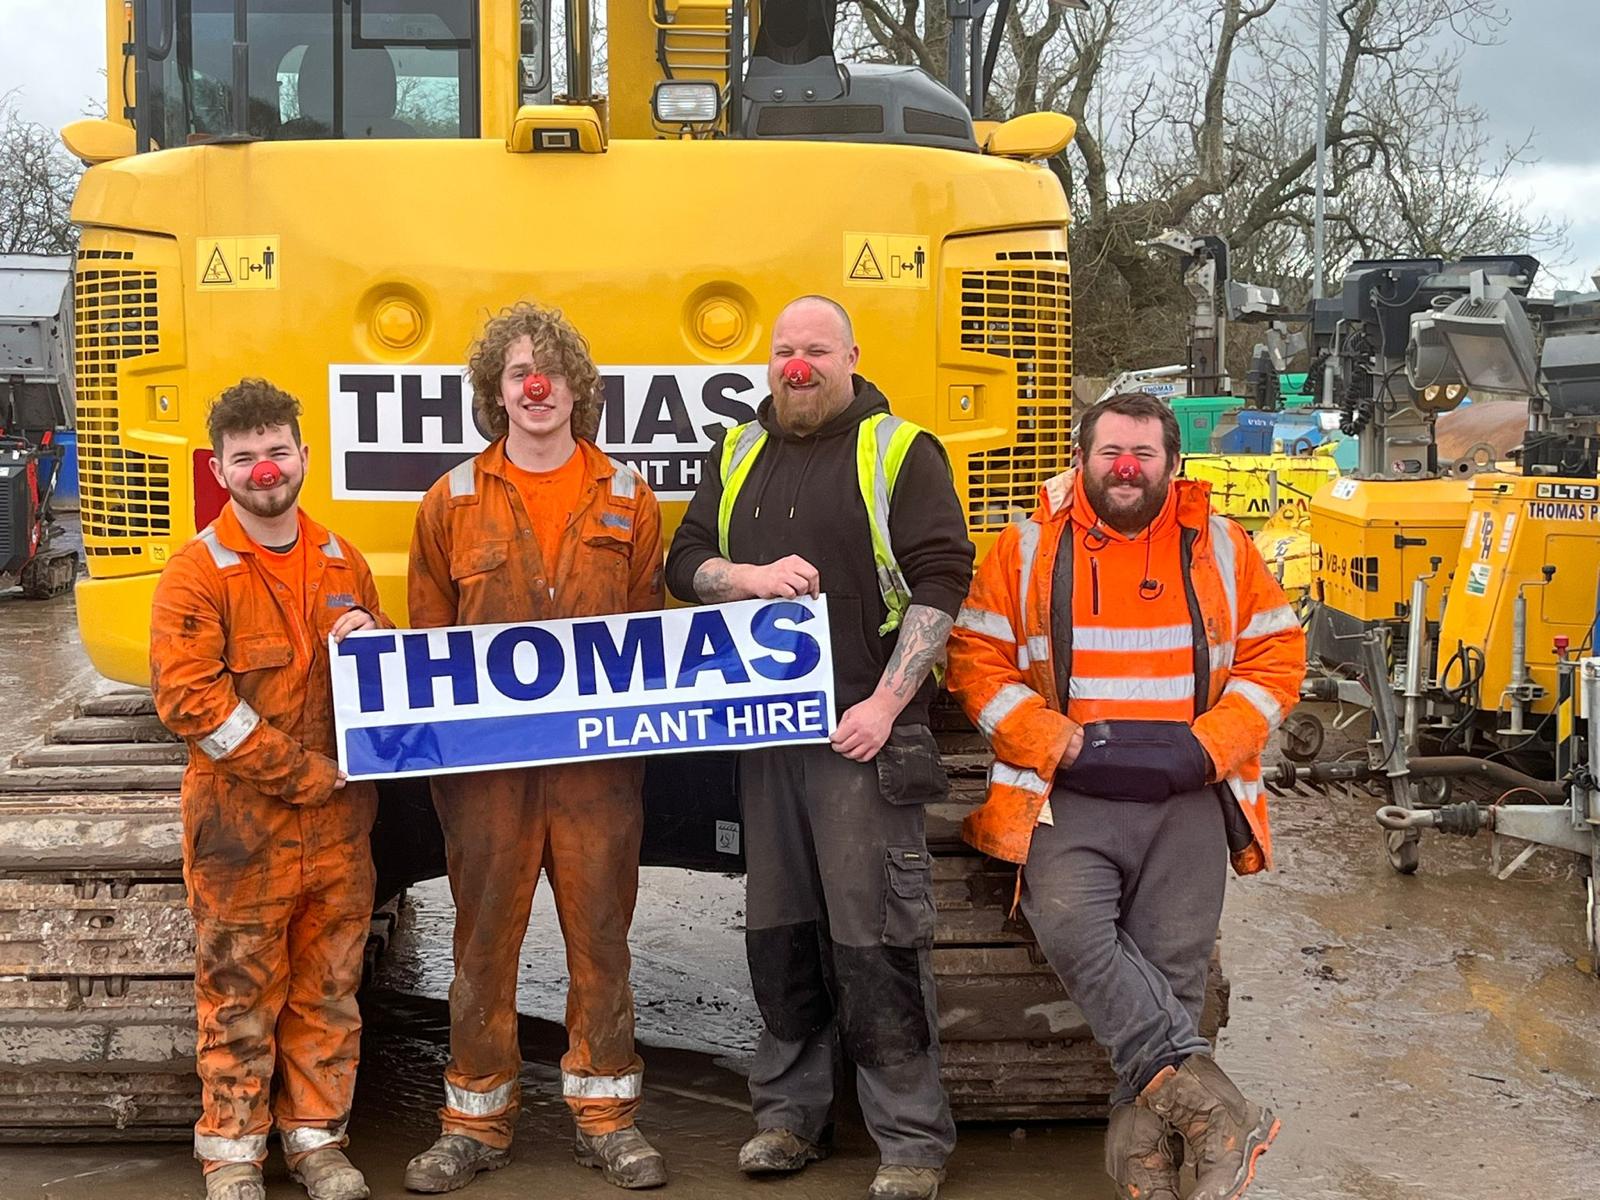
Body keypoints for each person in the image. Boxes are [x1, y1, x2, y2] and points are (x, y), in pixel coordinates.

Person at [943, 391, 1306, 1200]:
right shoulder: (1027, 547)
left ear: (1173, 467)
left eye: (1144, 455)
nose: (1127, 469)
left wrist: (1208, 745)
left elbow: (1277, 653)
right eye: (1111, 453)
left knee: (1171, 976)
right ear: (1082, 459)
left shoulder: (1220, 544)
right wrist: (1056, 739)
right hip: (1065, 792)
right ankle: (1218, 1113)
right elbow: (974, 660)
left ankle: (1144, 1169)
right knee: (1070, 925)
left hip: (1187, 792)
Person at [665, 295, 974, 1200]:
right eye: (785, 351)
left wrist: (885, 703)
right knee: (782, 933)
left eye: (817, 351)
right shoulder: (737, 452)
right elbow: (681, 560)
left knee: (877, 936)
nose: (798, 366)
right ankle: (789, 1119)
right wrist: (747, 578)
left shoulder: (899, 451)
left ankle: (911, 1140)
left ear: (851, 357)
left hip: (860, 737)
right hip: (766, 742)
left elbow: (942, 578)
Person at [403, 302, 666, 1194]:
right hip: (488, 778)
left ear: (577, 390)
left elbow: (651, 641)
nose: (537, 386)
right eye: (518, 373)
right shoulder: (450, 501)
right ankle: (473, 1122)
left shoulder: (630, 498)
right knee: (481, 943)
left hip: (596, 772)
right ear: (497, 392)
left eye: (550, 371)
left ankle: (607, 1118)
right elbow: (426, 647)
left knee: (602, 939)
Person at [150, 380, 391, 1200]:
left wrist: (376, 640)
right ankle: (233, 1151)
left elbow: (378, 689)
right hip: (240, 832)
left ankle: (317, 1141)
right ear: (220, 469)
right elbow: (191, 702)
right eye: (245, 457)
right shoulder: (195, 573)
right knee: (239, 993)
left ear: (304, 459)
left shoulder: (343, 562)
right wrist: (305, 776)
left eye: (277, 452)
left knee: (328, 990)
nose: (264, 469)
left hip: (339, 836)